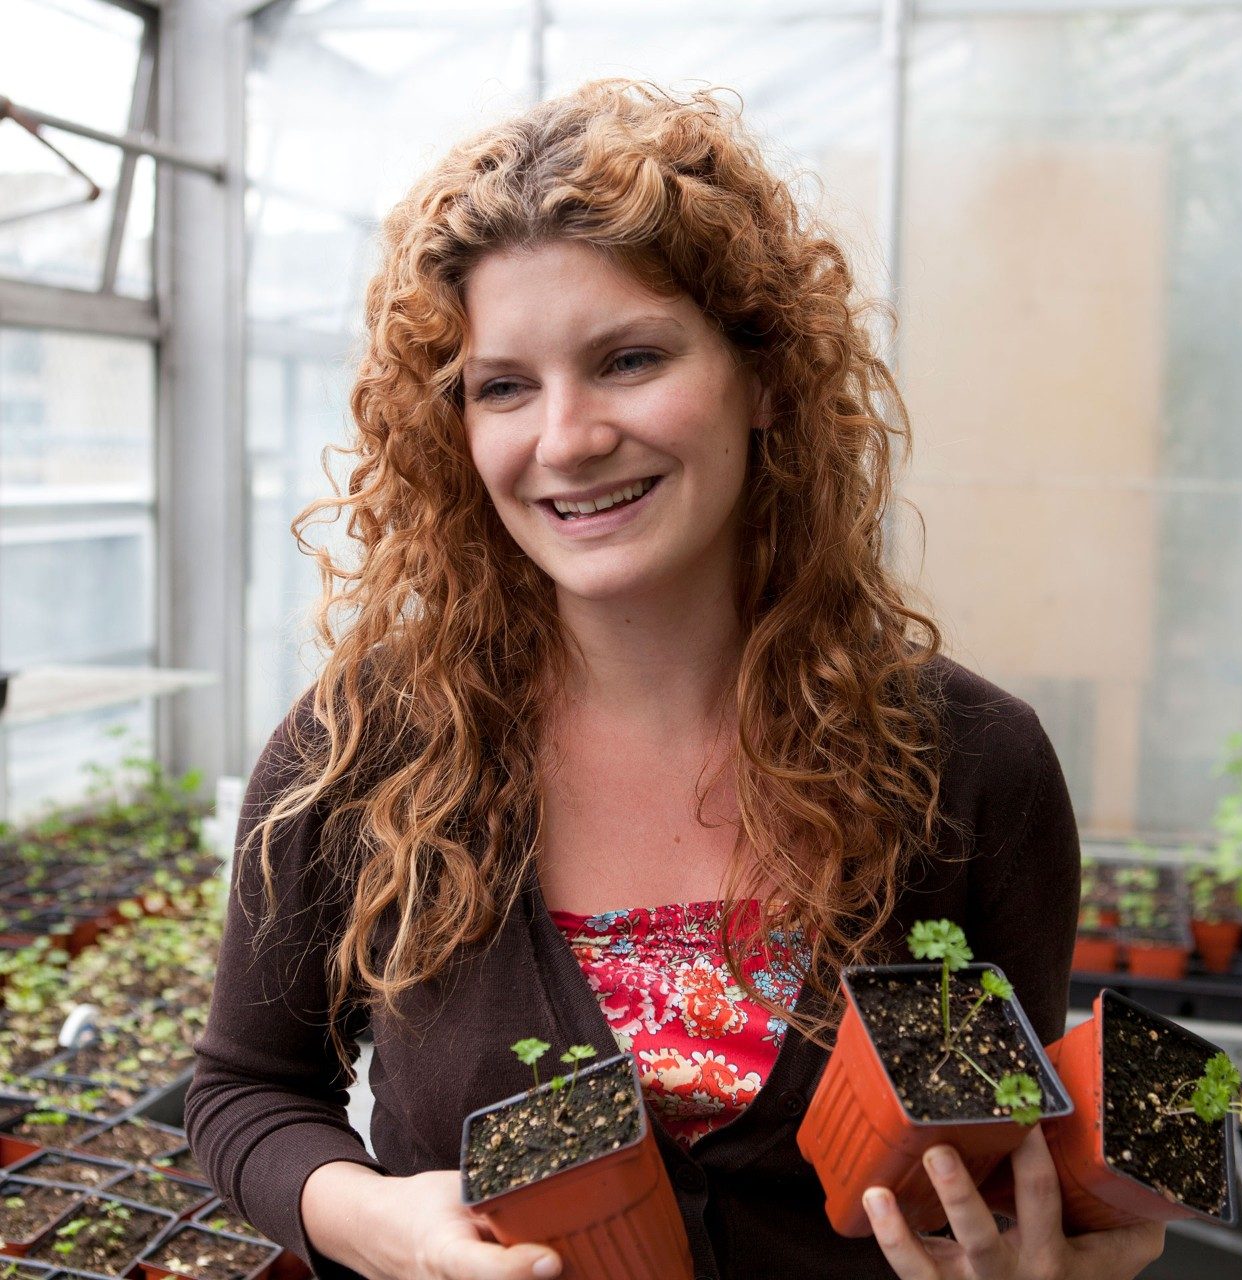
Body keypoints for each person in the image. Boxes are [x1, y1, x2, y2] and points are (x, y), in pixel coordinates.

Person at [186, 79, 1165, 1280]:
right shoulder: (368, 748)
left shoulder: (968, 764)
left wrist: (1057, 1251)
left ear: (763, 381)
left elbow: (1003, 1144)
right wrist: (367, 1217)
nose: (566, 436)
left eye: (628, 358)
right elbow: (244, 1088)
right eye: (503, 385)